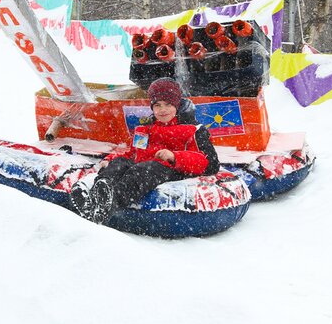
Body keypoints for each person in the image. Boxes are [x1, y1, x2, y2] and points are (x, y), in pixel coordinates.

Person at [71, 77, 220, 224]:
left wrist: (175, 157)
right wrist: (111, 159)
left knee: (143, 171)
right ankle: (98, 193)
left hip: (168, 169)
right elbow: (133, 154)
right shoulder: (145, 130)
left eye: (168, 104)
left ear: (177, 105)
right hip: (141, 164)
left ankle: (111, 203)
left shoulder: (194, 130)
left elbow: (210, 163)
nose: (162, 110)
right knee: (120, 163)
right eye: (157, 105)